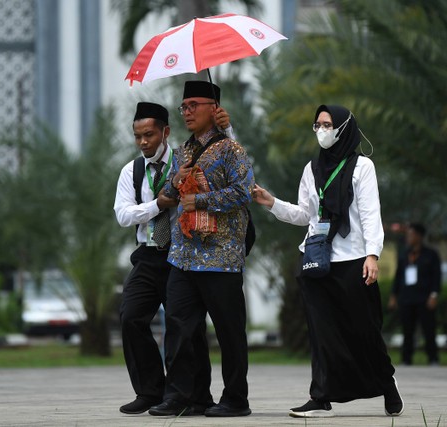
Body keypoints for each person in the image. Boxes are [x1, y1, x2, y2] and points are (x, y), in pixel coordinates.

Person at [253, 105, 404, 418]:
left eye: (327, 124)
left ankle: (386, 383)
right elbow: (306, 215)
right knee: (322, 332)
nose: (321, 130)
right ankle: (320, 397)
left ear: (344, 127)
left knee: (365, 330)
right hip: (317, 259)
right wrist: (272, 204)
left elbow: (370, 214)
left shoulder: (362, 166)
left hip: (354, 261)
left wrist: (373, 254)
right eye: (317, 124)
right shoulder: (312, 168)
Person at [113, 101, 235, 414]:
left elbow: (227, 167)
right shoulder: (132, 170)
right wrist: (159, 204)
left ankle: (193, 396)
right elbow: (124, 215)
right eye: (138, 135)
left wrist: (227, 129)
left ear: (165, 132)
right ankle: (150, 391)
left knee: (187, 328)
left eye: (149, 134)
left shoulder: (186, 158)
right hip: (148, 255)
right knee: (130, 317)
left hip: (182, 254)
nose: (143, 142)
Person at [148, 81, 254, 418]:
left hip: (220, 258)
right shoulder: (181, 152)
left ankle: (236, 399)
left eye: (194, 104)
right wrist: (175, 182)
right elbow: (167, 196)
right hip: (182, 257)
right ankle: (185, 396)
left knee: (229, 331)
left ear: (214, 108)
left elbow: (244, 192)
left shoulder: (231, 150)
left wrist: (202, 199)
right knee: (180, 327)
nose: (188, 112)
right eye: (184, 106)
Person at [389, 223, 441, 366]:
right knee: (407, 330)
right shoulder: (405, 254)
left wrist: (434, 295)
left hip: (424, 298)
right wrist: (394, 295)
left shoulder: (431, 255)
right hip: (407, 298)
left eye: (411, 235)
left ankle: (433, 358)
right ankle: (406, 359)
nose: (408, 238)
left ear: (419, 236)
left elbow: (436, 277)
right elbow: (398, 276)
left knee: (428, 329)